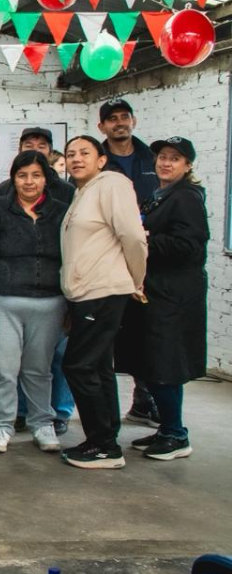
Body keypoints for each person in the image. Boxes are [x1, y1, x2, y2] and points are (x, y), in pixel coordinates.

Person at [0, 151, 68, 454]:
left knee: (39, 368)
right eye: (22, 175)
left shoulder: (60, 212)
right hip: (1, 302)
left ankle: (41, 423)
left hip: (49, 303)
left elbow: (71, 257)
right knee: (3, 368)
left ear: (46, 178)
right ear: (14, 178)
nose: (29, 182)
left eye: (35, 175)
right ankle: (1, 425)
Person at [116, 137, 209, 462]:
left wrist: (145, 242)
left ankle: (175, 433)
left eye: (175, 159)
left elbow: (190, 246)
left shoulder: (186, 198)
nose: (166, 163)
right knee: (152, 361)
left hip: (173, 297)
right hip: (155, 293)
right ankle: (167, 427)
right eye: (162, 157)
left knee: (164, 364)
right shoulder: (161, 195)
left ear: (187, 165)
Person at [58, 135, 146, 470]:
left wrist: (135, 278)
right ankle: (105, 439)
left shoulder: (113, 185)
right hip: (87, 293)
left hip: (103, 291)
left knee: (78, 366)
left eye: (84, 153)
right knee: (96, 367)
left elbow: (134, 236)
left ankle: (104, 443)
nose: (76, 159)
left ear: (101, 159)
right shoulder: (84, 191)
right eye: (70, 154)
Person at [96, 98, 160, 426]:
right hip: (109, 257)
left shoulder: (153, 157)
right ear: (102, 127)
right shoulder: (98, 161)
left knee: (146, 331)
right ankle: (108, 413)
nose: (119, 123)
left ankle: (145, 397)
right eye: (112, 119)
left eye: (124, 117)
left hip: (147, 256)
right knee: (112, 334)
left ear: (133, 121)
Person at [0, 128, 75, 204]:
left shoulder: (68, 190)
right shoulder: (3, 189)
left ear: (50, 153)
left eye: (41, 147)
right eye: (29, 146)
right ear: (20, 151)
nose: (35, 151)